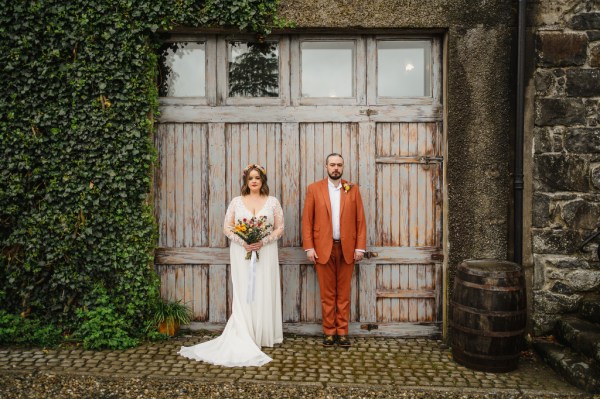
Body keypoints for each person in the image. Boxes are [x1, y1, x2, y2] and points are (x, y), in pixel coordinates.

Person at [179, 164, 284, 366]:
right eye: (250, 178)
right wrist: (244, 241)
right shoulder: (237, 202)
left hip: (266, 250)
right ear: (245, 181)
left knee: (263, 289)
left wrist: (264, 241)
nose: (254, 181)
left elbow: (280, 228)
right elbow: (227, 228)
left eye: (257, 178)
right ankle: (245, 330)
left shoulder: (272, 202)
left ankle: (263, 334)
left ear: (263, 181)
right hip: (242, 250)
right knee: (244, 290)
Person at [302, 153, 367, 348]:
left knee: (344, 293)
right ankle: (329, 332)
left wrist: (360, 248)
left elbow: (360, 221)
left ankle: (343, 332)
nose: (336, 168)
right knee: (327, 293)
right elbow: (307, 221)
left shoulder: (352, 189)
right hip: (323, 249)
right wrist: (309, 247)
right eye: (332, 165)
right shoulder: (314, 189)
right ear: (326, 166)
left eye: (339, 165)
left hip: (347, 248)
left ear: (343, 167)